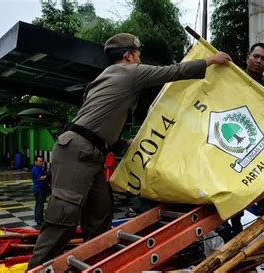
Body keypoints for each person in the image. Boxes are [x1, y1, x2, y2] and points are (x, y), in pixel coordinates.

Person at [28, 33, 232, 269]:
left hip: (90, 151)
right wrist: (210, 60)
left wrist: (123, 143)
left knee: (100, 215)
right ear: (128, 55)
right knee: (63, 217)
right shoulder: (129, 72)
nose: (140, 58)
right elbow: (172, 72)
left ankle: (94, 264)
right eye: (138, 54)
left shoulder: (106, 76)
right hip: (77, 151)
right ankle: (37, 268)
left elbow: (97, 122)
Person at [229, 43, 264, 238]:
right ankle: (236, 232)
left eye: (263, 59)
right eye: (256, 56)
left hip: (258, 144)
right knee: (235, 189)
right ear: (247, 57)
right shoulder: (233, 77)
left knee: (263, 186)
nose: (258, 61)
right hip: (233, 142)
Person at [30, 155, 49, 226]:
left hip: (40, 188)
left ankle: (38, 218)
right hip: (39, 189)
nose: (41, 163)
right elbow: (41, 178)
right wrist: (49, 175)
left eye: (42, 161)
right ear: (36, 162)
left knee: (39, 204)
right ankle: (39, 220)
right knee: (40, 205)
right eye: (40, 161)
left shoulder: (39, 168)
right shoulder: (35, 169)